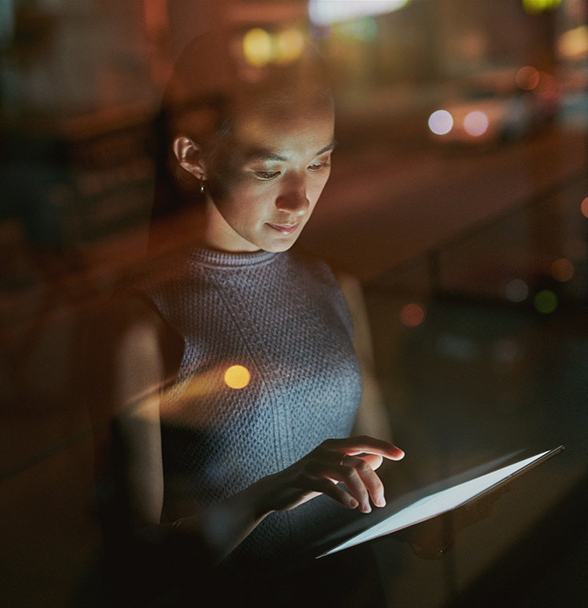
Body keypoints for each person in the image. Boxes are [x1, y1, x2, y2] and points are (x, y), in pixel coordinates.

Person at [86, 30, 404, 608]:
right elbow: (140, 560)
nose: (299, 199)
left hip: (355, 589)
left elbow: (382, 473)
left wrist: (439, 513)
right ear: (192, 157)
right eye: (268, 170)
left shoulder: (335, 287)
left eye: (320, 162)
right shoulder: (145, 324)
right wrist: (271, 493)